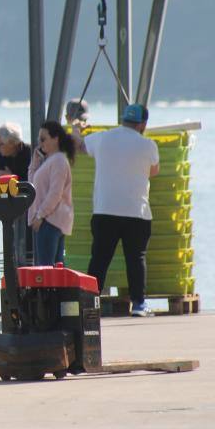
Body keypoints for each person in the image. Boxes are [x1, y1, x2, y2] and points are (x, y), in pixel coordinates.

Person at [73, 104, 159, 317]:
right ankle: (138, 304)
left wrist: (76, 129)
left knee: (100, 258)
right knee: (136, 258)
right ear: (143, 124)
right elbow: (154, 171)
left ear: (123, 119)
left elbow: (79, 146)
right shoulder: (148, 145)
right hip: (136, 211)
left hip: (105, 209)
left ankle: (90, 302)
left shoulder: (102, 138)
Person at [27, 121, 75, 266]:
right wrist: (35, 161)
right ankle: (55, 289)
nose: (40, 143)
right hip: (48, 219)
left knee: (45, 267)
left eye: (43, 139)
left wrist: (40, 215)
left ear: (56, 139)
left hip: (50, 220)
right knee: (55, 266)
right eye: (38, 140)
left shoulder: (59, 160)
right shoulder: (49, 160)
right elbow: (32, 183)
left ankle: (48, 290)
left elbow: (56, 192)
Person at [0, 122, 33, 266]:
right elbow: (1, 179)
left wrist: (12, 176)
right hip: (10, 202)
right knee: (11, 240)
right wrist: (11, 178)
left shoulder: (29, 152)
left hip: (30, 203)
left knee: (29, 241)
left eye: (0, 144)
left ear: (13, 143)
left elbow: (31, 183)